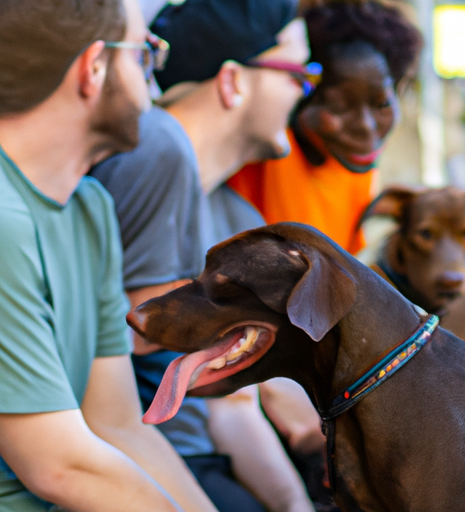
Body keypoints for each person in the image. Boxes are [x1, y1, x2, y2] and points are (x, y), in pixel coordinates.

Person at [90, 1, 317, 511]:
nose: (305, 95)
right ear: (233, 81)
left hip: (194, 457)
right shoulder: (152, 150)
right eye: (299, 75)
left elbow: (236, 409)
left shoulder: (238, 218)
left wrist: (294, 504)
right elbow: (116, 349)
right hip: (130, 457)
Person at [0, 0, 219, 510]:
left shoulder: (89, 209)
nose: (158, 85)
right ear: (94, 67)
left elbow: (116, 424)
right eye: (144, 55)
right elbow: (59, 465)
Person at [229, 0, 423, 255]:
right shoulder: (261, 154)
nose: (366, 126)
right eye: (340, 106)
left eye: (382, 104)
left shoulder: (350, 165)